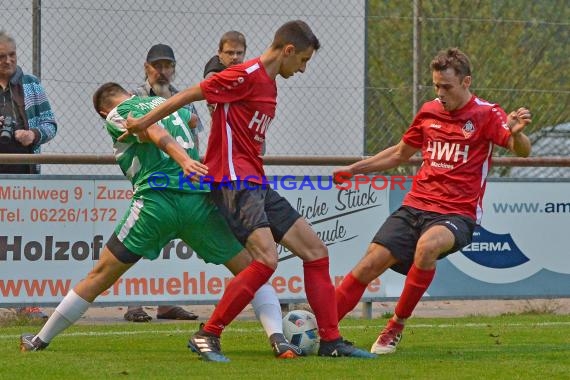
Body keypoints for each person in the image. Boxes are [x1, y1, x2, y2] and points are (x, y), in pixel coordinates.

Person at [124, 20, 377, 361]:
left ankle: (331, 341)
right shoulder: (244, 74)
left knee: (316, 251)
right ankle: (207, 333)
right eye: (302, 60)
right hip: (233, 182)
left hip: (256, 181)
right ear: (288, 50)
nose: (302, 69)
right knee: (266, 259)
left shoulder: (270, 85)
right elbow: (191, 93)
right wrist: (145, 121)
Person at [20, 82, 303, 360]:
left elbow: (150, 129)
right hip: (197, 203)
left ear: (102, 113)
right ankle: (278, 339)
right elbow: (193, 120)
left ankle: (39, 339)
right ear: (129, 92)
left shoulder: (120, 112)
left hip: (158, 203)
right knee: (252, 269)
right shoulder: (170, 105)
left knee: (100, 275)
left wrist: (183, 161)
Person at [332, 47, 532, 354]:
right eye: (436, 86)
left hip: (457, 214)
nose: (440, 93)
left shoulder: (487, 114)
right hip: (415, 205)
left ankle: (394, 326)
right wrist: (355, 170)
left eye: (447, 87)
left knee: (428, 246)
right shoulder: (428, 111)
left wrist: (517, 134)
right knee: (369, 264)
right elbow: (400, 153)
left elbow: (523, 151)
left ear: (467, 82)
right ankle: (324, 329)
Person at [123, 43, 202, 323]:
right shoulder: (134, 97)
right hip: (150, 179)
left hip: (180, 181)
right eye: (158, 66)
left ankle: (168, 304)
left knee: (176, 246)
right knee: (138, 243)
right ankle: (133, 304)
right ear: (147, 68)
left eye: (168, 66)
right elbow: (132, 130)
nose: (164, 71)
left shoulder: (182, 96)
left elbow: (195, 126)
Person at [0, 30, 57, 320]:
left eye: (12, 55)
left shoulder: (32, 85)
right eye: (2, 57)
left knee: (25, 238)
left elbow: (51, 125)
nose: (8, 61)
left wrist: (32, 134)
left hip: (24, 174)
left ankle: (27, 301)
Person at [203, 31, 247, 114]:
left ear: (244, 53)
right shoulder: (214, 76)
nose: (235, 57)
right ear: (220, 53)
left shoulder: (248, 72)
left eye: (239, 53)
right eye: (230, 53)